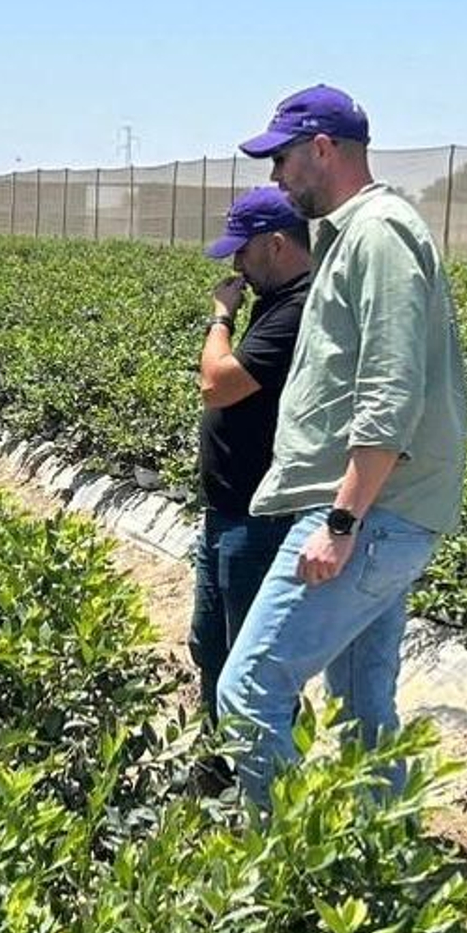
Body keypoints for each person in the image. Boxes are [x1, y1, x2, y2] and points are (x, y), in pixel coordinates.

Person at [215, 84, 467, 808]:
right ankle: (376, 858)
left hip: (368, 515)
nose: (275, 177)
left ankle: (287, 871)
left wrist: (341, 522)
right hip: (377, 513)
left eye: (283, 159)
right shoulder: (350, 235)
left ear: (322, 149)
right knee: (363, 705)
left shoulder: (379, 232)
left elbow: (391, 387)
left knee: (249, 690)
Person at [189, 186, 314, 723]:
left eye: (243, 250)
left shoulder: (299, 308)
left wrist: (221, 318)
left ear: (278, 245)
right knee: (211, 649)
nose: (236, 262)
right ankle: (217, 768)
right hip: (227, 513)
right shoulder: (275, 303)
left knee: (253, 668)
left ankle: (259, 788)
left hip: (260, 521)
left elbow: (216, 383)